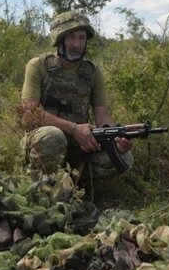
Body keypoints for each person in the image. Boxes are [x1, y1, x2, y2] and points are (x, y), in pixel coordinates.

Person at [19, 10, 133, 179]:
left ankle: (75, 181)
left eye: (82, 38)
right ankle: (40, 184)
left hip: (79, 144)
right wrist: (74, 129)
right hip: (43, 140)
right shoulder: (38, 66)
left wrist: (117, 136)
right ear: (60, 40)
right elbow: (30, 115)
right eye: (71, 37)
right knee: (53, 136)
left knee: (123, 157)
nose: (77, 44)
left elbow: (102, 117)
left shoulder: (92, 72)